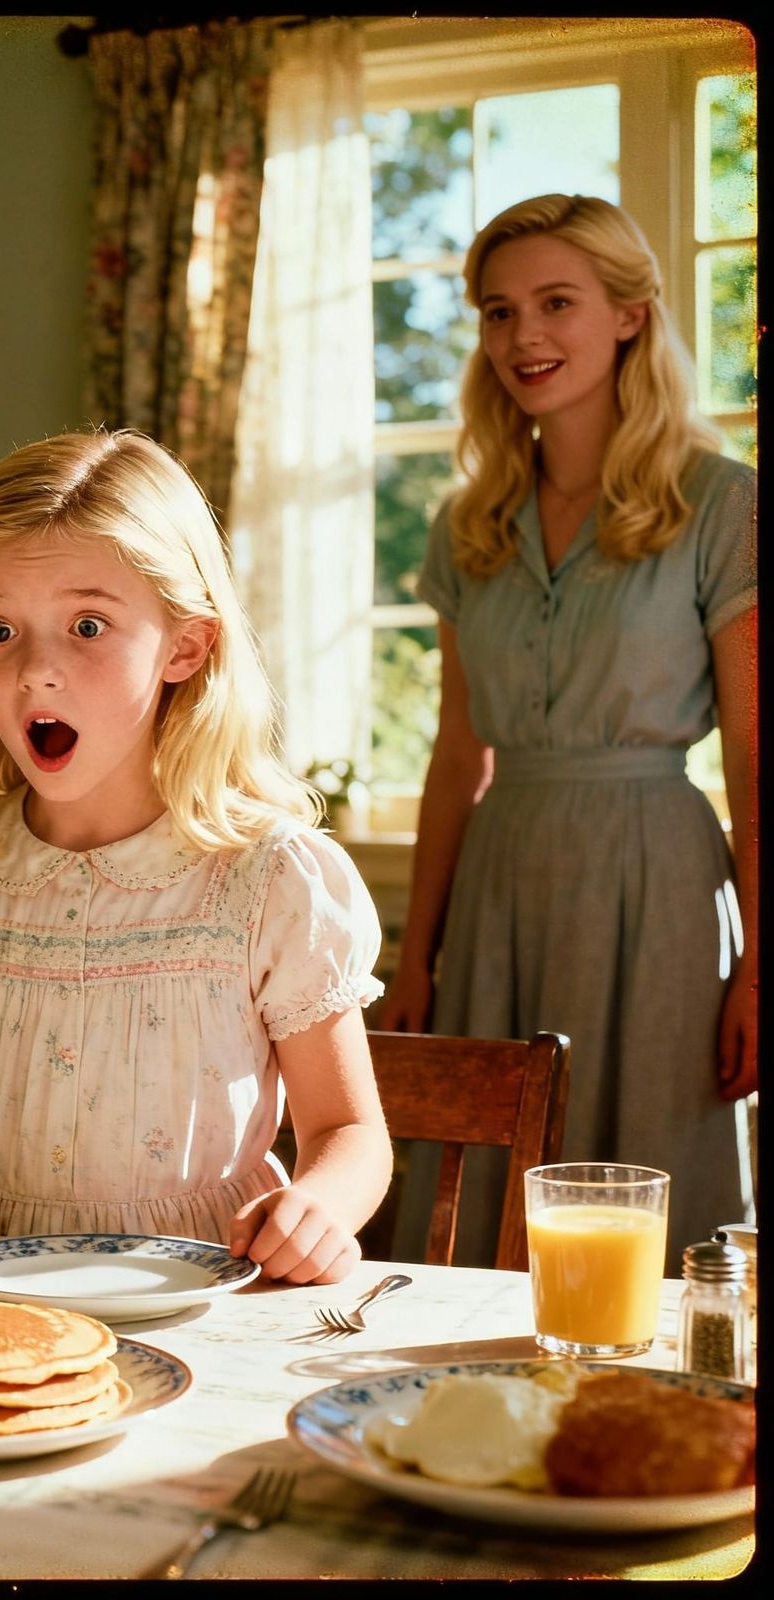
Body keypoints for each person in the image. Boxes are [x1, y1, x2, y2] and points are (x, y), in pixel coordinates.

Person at [0, 429, 392, 1285]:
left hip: (206, 1287)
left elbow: (350, 1134)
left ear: (185, 645)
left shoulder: (270, 881)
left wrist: (320, 1208)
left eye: (88, 625)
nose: (36, 673)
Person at [380, 195, 758, 1265]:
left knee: (658, 1191)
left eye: (556, 303)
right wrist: (417, 960)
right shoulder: (469, 525)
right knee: (485, 1199)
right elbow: (459, 756)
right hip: (500, 887)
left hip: (662, 884)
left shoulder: (721, 505)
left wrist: (759, 967)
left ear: (630, 314)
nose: (523, 337)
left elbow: (753, 756)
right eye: (498, 313)